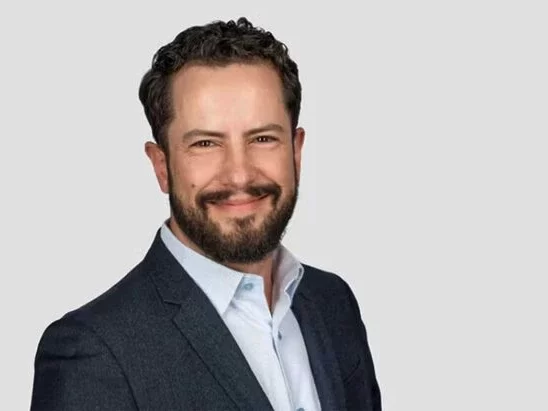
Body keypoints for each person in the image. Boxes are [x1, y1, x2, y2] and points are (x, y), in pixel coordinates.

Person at [30, 17, 381, 411]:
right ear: (161, 166)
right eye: (205, 144)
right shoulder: (93, 354)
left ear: (296, 151)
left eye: (263, 138)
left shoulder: (332, 302)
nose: (239, 174)